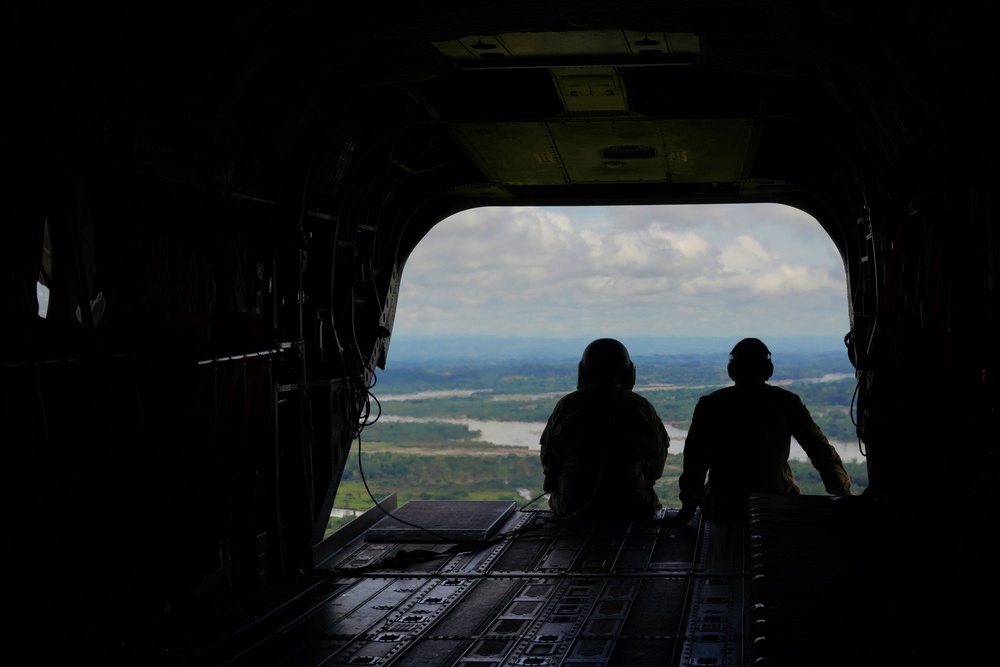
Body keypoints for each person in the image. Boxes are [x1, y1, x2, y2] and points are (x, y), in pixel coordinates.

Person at [676, 337, 852, 523]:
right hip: (776, 503)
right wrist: (843, 492)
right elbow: (819, 450)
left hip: (725, 505)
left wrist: (687, 509)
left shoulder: (710, 405)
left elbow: (694, 462)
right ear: (768, 369)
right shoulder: (786, 402)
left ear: (732, 370)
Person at [540, 338, 669, 520]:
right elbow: (655, 469)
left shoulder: (567, 405)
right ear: (630, 372)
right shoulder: (641, 407)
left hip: (570, 508)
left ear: (583, 371)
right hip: (631, 507)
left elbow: (548, 460)